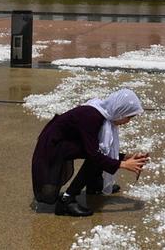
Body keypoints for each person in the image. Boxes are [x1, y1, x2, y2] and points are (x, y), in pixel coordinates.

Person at [31, 88, 149, 217]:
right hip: (52, 147)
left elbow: (99, 148)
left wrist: (128, 157)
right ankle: (67, 200)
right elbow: (94, 154)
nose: (128, 122)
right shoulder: (92, 117)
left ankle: (93, 184)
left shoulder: (103, 112)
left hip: (62, 142)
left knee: (98, 153)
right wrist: (124, 164)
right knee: (95, 158)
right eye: (129, 117)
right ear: (120, 112)